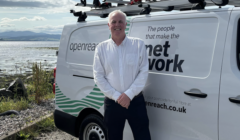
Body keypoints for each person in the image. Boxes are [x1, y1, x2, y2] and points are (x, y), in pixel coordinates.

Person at [93, 10, 151, 140]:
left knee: (143, 136)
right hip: (113, 103)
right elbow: (98, 76)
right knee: (113, 137)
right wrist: (117, 96)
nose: (117, 24)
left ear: (126, 24)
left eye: (120, 21)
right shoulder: (101, 48)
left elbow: (143, 72)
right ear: (109, 25)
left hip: (135, 102)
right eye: (113, 22)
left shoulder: (138, 44)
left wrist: (129, 95)